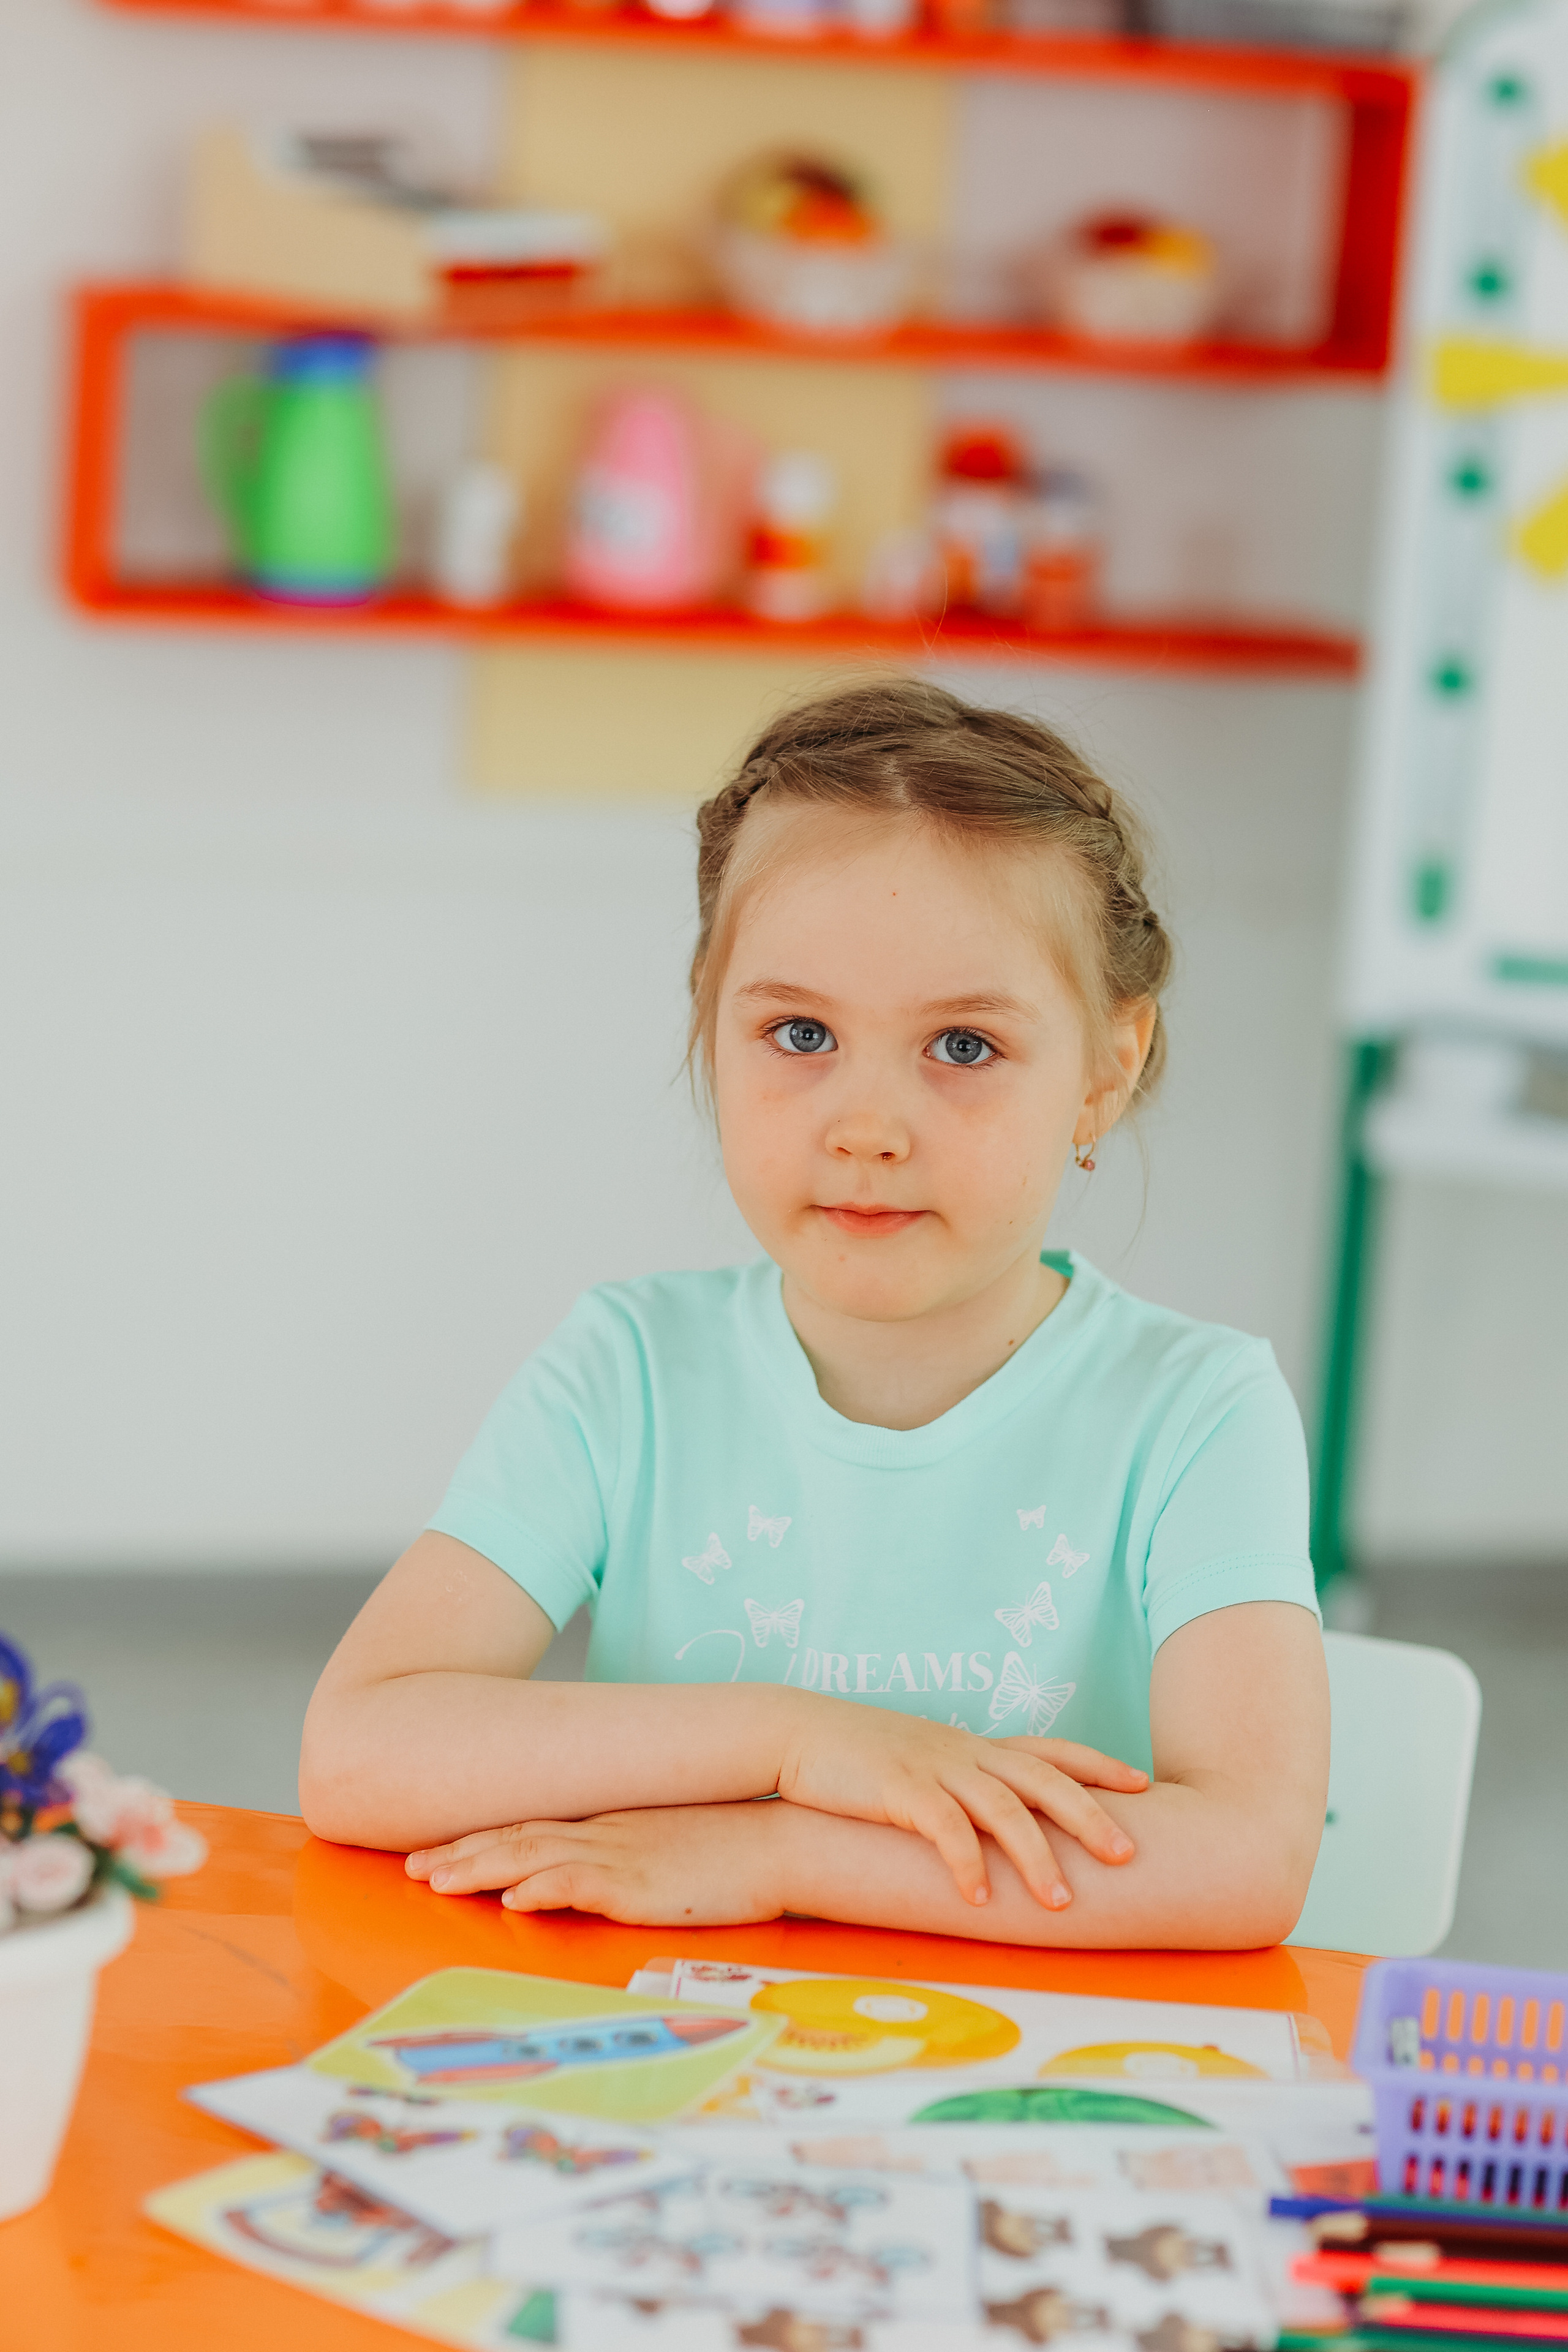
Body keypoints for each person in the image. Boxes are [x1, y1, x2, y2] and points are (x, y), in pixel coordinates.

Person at [300, 677, 1329, 1948]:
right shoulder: (627, 1369)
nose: (866, 1129)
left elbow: (1247, 1858)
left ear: (1106, 1069)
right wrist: (798, 1741)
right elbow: (356, 1752)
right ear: (709, 1022)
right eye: (799, 1033)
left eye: (963, 1046)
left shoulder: (1197, 1411)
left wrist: (778, 1849)